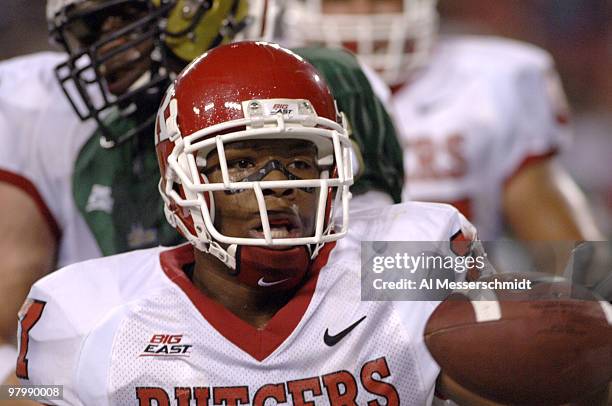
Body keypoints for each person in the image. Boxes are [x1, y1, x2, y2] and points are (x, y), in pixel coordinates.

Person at [18, 42, 609, 406]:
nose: (278, 183)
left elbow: (538, 334)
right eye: (241, 162)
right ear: (180, 179)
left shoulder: (404, 258)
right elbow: (28, 396)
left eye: (300, 159)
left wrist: (578, 326)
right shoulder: (92, 313)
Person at [0, 0, 403, 384]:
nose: (104, 49)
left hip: (335, 360)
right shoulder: (108, 157)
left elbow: (389, 267)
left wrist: (443, 300)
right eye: (90, 32)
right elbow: (34, 385)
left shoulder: (311, 84)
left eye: (125, 17)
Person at [281, 0, 605, 271]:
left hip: (459, 308)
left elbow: (576, 262)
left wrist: (515, 304)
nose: (365, 10)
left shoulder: (490, 81)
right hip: (315, 312)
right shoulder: (270, 94)